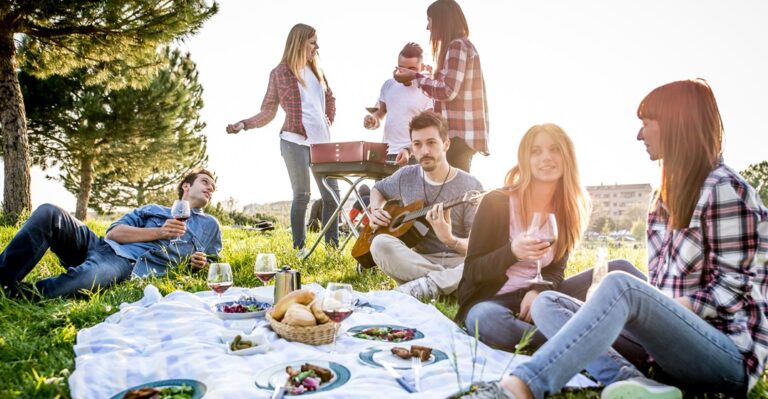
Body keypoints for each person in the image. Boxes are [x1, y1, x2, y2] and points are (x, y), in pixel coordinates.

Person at [492, 79, 768, 399]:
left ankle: (521, 386)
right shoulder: (663, 197)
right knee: (547, 302)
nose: (640, 134)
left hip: (726, 358)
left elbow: (734, 289)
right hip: (666, 350)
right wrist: (636, 314)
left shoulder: (724, 189)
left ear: (675, 125)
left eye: (646, 124)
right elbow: (666, 285)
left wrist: (656, 309)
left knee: (621, 285)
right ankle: (636, 382)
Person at [456, 124, 646, 352]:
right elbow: (472, 271)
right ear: (525, 159)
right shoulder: (497, 202)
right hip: (493, 302)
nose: (546, 157)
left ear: (567, 156)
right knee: (485, 321)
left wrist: (537, 291)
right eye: (536, 151)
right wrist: (512, 252)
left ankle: (675, 321)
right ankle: (605, 343)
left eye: (554, 149)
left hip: (544, 299)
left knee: (620, 269)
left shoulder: (568, 209)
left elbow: (556, 270)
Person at [0, 169, 222, 299]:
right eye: (205, 182)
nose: (210, 188)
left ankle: (16, 294)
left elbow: (215, 264)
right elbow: (113, 233)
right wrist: (159, 231)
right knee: (50, 212)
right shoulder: (153, 209)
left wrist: (197, 265)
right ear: (186, 185)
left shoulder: (210, 225)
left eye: (213, 187)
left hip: (126, 263)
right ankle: (3, 278)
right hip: (99, 246)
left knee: (87, 277)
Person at [226, 23, 340, 250]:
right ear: (299, 42)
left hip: (323, 144)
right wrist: (244, 124)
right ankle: (300, 249)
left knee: (332, 197)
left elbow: (331, 99)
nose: (317, 47)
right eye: (313, 42)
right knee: (302, 195)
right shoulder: (280, 73)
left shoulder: (317, 70)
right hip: (294, 141)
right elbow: (269, 110)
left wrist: (328, 119)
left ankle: (331, 250)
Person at [368, 111, 483, 300]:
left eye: (431, 142)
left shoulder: (471, 186)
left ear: (446, 144)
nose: (424, 151)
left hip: (459, 261)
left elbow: (479, 247)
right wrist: (376, 210)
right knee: (379, 244)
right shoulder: (406, 176)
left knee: (481, 263)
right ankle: (446, 285)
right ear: (411, 147)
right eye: (417, 144)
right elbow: (378, 189)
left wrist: (450, 240)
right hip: (419, 260)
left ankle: (427, 286)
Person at [393, 0, 488, 173]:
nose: (428, 28)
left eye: (429, 21)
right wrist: (430, 76)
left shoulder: (457, 46)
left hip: (457, 134)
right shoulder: (462, 46)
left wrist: (415, 76)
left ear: (441, 22)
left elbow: (447, 90)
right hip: (461, 135)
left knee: (454, 193)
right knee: (455, 191)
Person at [364, 42, 433, 165]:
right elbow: (379, 115)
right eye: (401, 68)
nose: (405, 73)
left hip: (414, 158)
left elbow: (428, 131)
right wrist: (373, 120)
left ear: (421, 67)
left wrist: (409, 150)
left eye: (411, 69)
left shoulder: (428, 90)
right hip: (387, 155)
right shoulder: (388, 85)